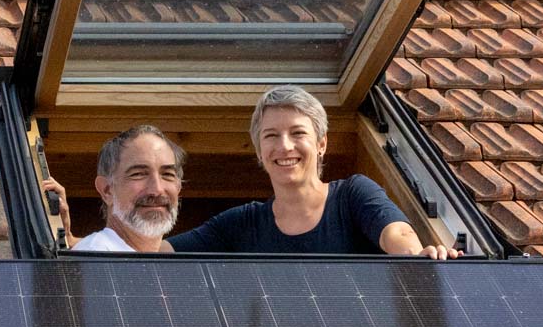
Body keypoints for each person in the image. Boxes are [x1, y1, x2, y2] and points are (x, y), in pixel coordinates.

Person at [168, 85, 461, 258]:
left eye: (298, 133)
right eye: (271, 136)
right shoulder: (241, 224)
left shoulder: (353, 196)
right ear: (259, 151)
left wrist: (417, 257)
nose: (284, 147)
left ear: (321, 144)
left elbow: (396, 232)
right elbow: (159, 254)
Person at [40, 124, 183, 254]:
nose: (157, 189)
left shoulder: (169, 269)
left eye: (167, 174)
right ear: (107, 190)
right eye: (138, 174)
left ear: (179, 187)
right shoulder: (94, 258)